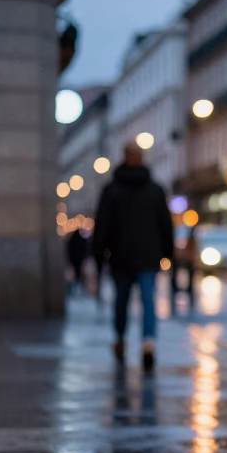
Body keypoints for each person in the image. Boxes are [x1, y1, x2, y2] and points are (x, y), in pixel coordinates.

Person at [94, 143, 174, 371]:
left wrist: (99, 252)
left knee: (122, 301)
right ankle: (148, 342)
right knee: (148, 300)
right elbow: (165, 225)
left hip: (121, 255)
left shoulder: (112, 189)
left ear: (124, 158)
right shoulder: (155, 189)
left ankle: (120, 338)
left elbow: (103, 224)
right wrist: (167, 253)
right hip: (149, 256)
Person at [66, 227, 89, 295]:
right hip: (80, 261)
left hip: (75, 261)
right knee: (79, 275)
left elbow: (69, 251)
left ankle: (76, 288)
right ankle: (79, 288)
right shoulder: (81, 240)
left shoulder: (72, 240)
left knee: (76, 275)